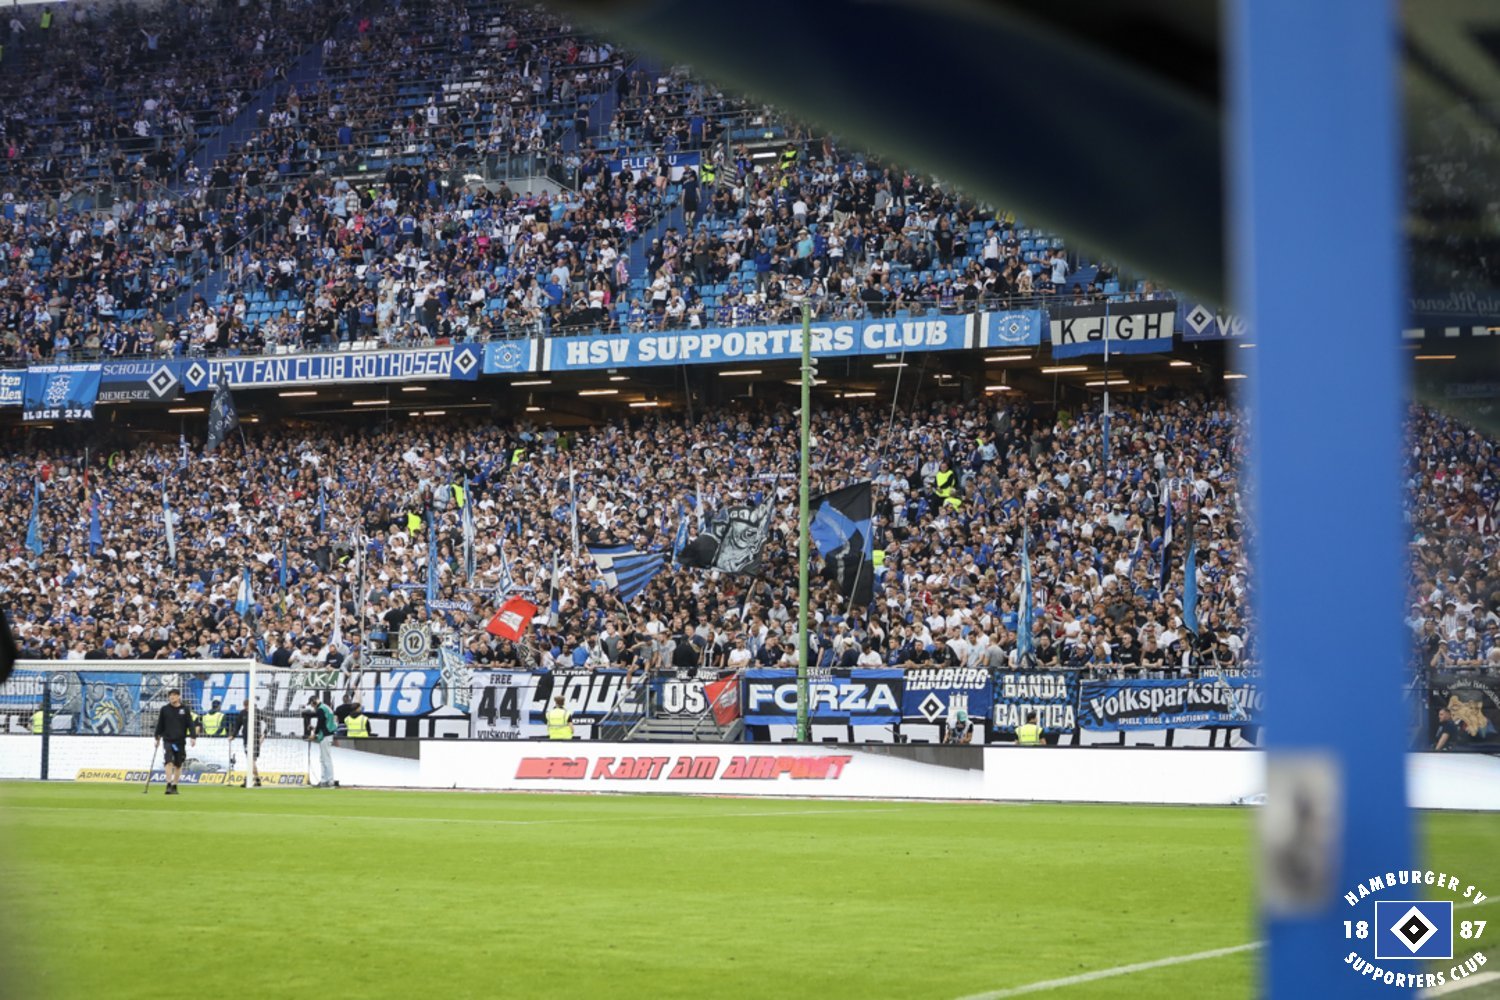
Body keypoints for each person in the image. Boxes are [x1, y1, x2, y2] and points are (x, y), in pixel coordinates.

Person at [153, 688, 196, 794]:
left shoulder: (185, 709)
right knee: (168, 761)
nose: (171, 697)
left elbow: (190, 724)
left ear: (178, 696)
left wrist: (193, 736)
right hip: (168, 740)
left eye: (174, 695)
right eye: (170, 695)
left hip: (180, 741)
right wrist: (157, 737)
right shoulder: (164, 709)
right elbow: (160, 724)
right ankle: (168, 784)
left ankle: (175, 785)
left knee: (178, 764)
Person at [231, 699, 265, 787]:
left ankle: (247, 780)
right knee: (251, 760)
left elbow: (269, 722)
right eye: (245, 707)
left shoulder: (258, 712)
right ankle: (257, 780)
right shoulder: (242, 713)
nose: (246, 708)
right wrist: (233, 735)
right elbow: (237, 725)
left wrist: (263, 735)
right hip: (246, 739)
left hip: (256, 739)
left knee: (251, 759)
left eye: (247, 706)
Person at [306, 696, 338, 787]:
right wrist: (315, 729)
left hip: (326, 735)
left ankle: (329, 780)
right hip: (328, 734)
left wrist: (314, 733)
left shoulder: (320, 709)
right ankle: (325, 780)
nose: (312, 707)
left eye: (312, 704)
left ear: (314, 701)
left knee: (325, 759)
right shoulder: (325, 707)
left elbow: (321, 723)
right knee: (324, 758)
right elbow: (325, 723)